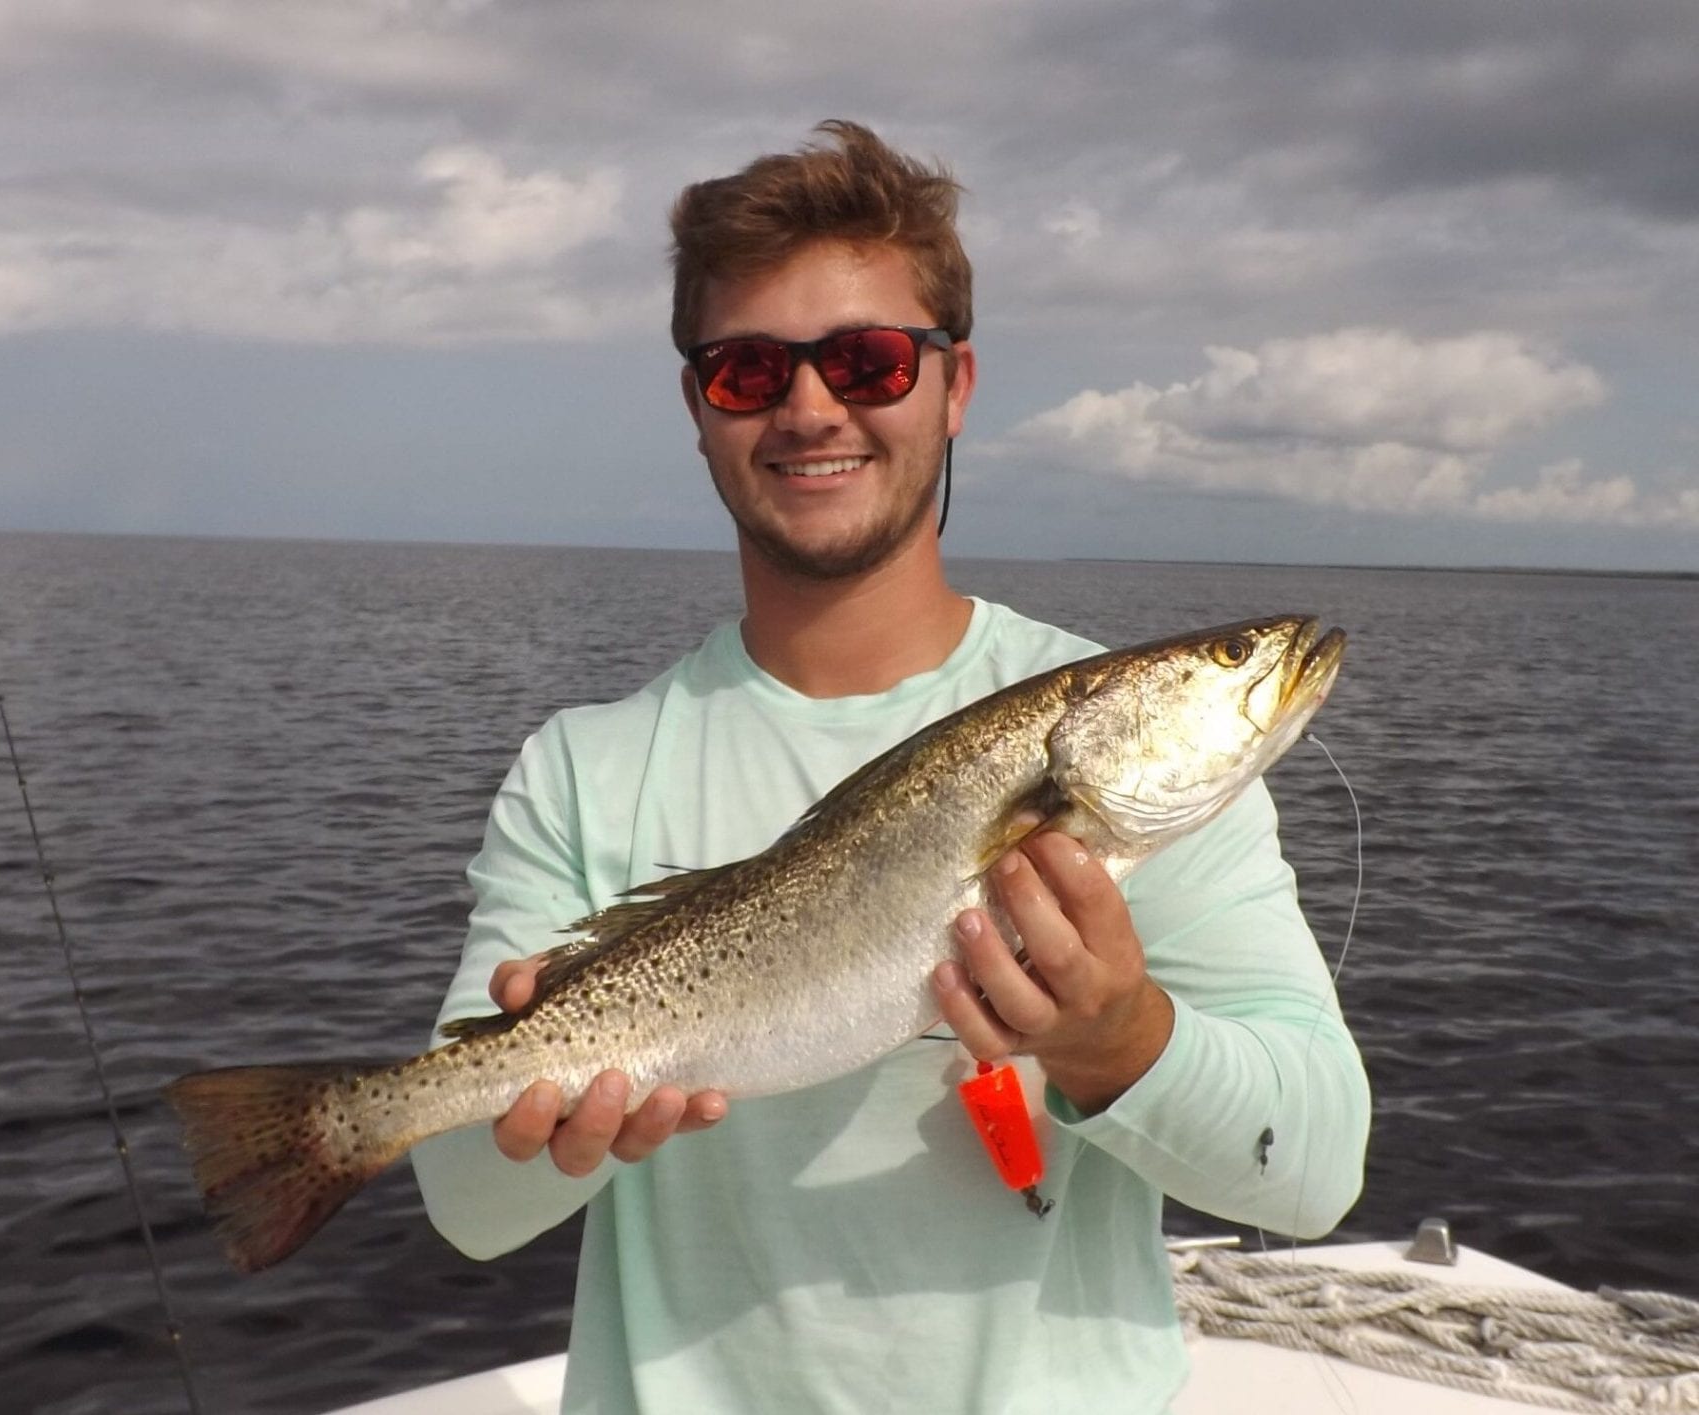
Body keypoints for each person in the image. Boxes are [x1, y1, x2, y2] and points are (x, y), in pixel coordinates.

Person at [411, 120, 1370, 1414]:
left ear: (954, 383)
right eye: (751, 370)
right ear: (699, 405)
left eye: (867, 360)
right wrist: (543, 1137)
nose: (812, 408)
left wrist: (1116, 1043)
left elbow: (1314, 1172)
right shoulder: (581, 768)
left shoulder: (1170, 806)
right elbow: (462, 1207)